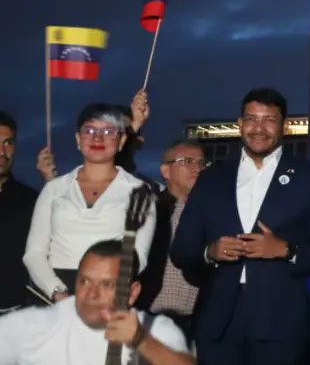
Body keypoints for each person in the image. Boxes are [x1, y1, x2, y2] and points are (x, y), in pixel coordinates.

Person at [171, 87, 310, 365]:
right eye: (251, 119)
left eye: (269, 120)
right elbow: (181, 249)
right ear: (239, 123)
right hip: (218, 324)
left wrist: (286, 250)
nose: (258, 128)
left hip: (281, 326)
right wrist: (210, 252)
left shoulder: (309, 179)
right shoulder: (211, 179)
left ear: (284, 126)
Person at [24, 103, 156, 301]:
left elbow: (138, 256)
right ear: (78, 139)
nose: (97, 137)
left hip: (107, 291)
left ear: (121, 141)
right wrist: (56, 291)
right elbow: (34, 252)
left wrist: (104, 289)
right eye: (90, 130)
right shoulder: (55, 188)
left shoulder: (139, 192)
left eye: (108, 131)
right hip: (53, 292)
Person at [0, 239, 193, 364]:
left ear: (133, 293)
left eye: (107, 284)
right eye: (84, 281)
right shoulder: (40, 324)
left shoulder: (154, 329)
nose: (91, 294)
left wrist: (142, 341)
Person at [136, 140, 210, 341]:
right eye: (187, 161)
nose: (197, 168)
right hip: (152, 317)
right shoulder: (150, 210)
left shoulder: (212, 213)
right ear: (166, 171)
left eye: (202, 163)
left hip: (199, 321)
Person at [0, 112, 38, 312]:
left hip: (15, 314)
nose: (2, 151)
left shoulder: (31, 200)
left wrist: (51, 183)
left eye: (8, 143)